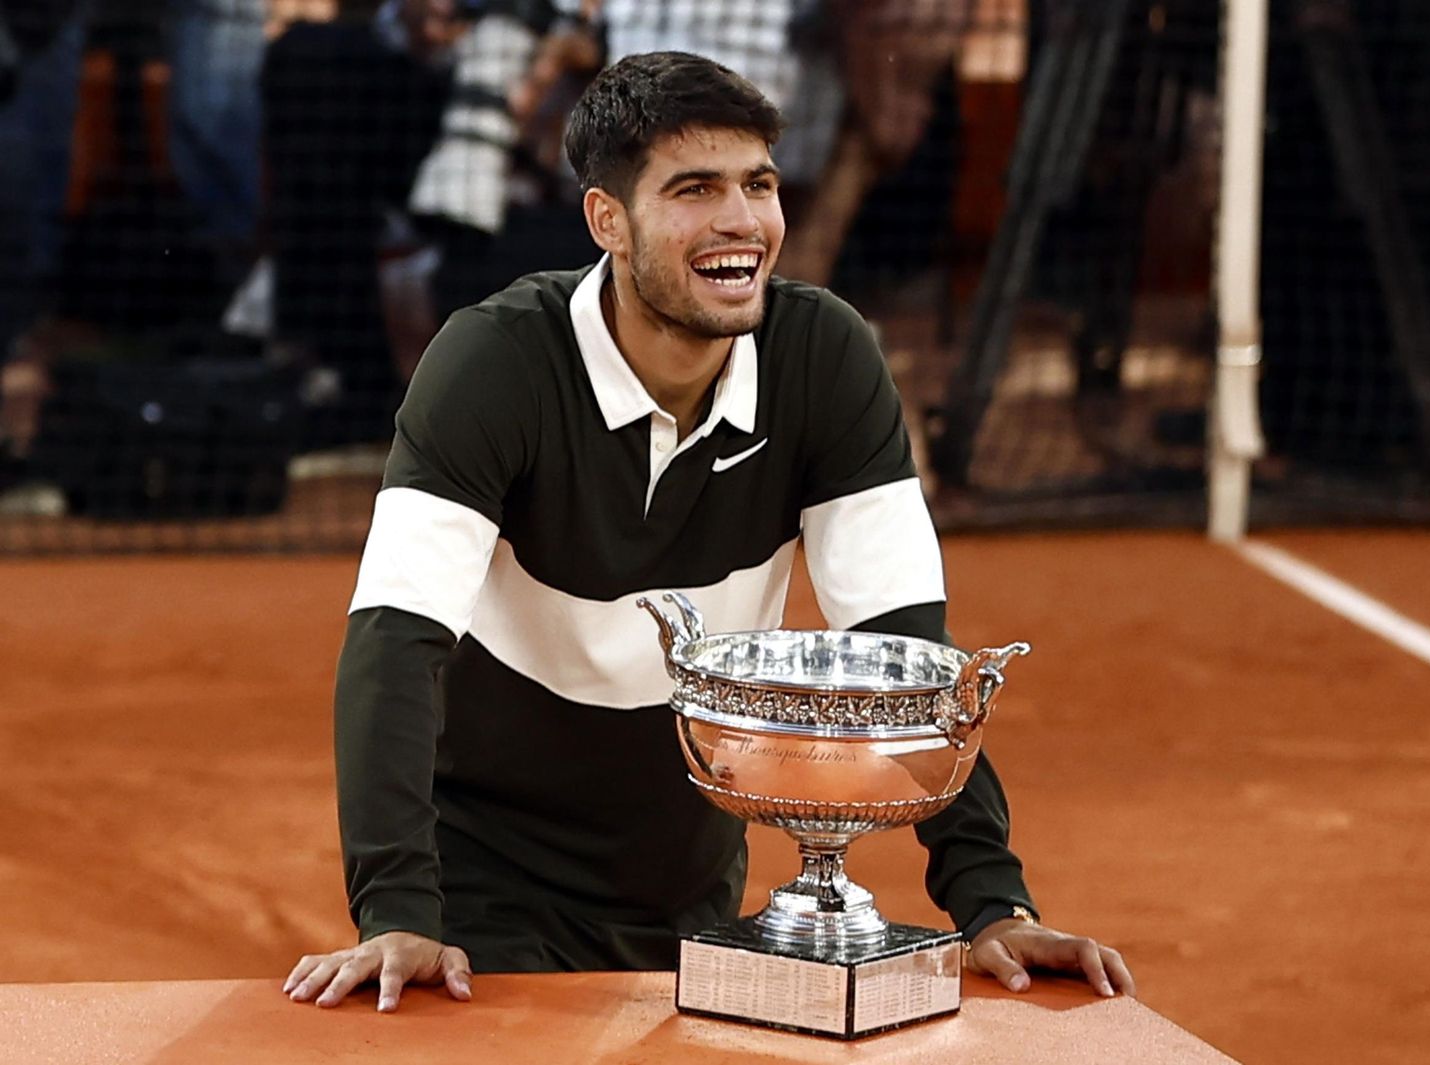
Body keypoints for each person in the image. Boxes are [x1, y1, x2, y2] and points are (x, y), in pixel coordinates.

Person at [282, 50, 1136, 1013]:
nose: (742, 220)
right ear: (608, 219)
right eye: (695, 188)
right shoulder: (493, 362)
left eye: (759, 183)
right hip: (487, 872)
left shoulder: (824, 359)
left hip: (692, 879)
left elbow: (905, 650)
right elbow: (394, 642)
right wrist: (397, 906)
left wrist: (991, 902)